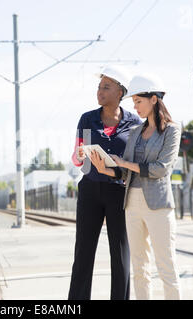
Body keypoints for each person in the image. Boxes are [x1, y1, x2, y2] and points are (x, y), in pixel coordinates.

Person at [90, 73, 182, 300]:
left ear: (154, 99)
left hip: (158, 205)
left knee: (166, 267)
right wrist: (107, 169)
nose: (136, 107)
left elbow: (161, 169)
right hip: (132, 204)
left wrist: (124, 163)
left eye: (139, 102)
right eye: (134, 103)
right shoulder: (135, 132)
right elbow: (125, 171)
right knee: (139, 269)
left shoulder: (172, 130)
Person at [68, 66, 142, 300]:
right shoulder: (87, 118)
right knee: (83, 252)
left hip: (119, 192)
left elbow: (134, 161)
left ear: (120, 92)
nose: (100, 91)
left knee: (120, 253)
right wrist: (79, 156)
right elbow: (77, 157)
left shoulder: (135, 123)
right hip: (90, 189)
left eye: (106, 87)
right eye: (99, 87)